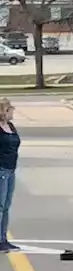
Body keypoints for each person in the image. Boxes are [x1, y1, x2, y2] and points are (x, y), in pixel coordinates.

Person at [0, 99, 19, 252]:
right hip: (1, 170)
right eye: (10, 109)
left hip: (11, 169)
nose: (13, 111)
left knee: (6, 206)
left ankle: (3, 238)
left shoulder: (11, 127)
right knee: (0, 206)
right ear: (3, 112)